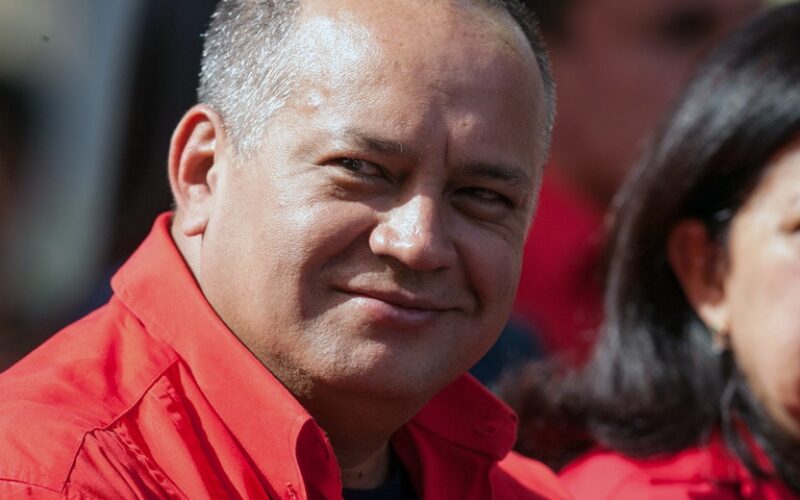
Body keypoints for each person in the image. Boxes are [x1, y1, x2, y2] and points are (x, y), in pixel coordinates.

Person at [0, 0, 569, 498]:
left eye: (482, 196)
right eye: (361, 169)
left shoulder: (523, 491)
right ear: (203, 172)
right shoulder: (50, 476)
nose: (417, 243)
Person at [506, 3, 800, 497]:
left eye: (751, 24)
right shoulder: (468, 278)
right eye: (682, 30)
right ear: (707, 273)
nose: (731, 58)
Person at [514, 0, 760, 362]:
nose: (746, 69)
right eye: (683, 31)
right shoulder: (458, 271)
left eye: (756, 31)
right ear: (534, 58)